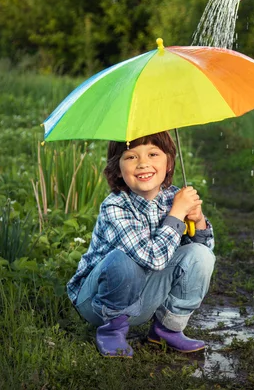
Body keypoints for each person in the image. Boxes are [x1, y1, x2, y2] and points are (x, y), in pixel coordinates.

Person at [67, 131, 215, 357]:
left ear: (169, 163)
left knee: (200, 255)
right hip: (99, 301)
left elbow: (202, 252)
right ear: (118, 168)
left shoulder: (174, 198)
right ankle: (111, 331)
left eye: (153, 154)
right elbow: (152, 258)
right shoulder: (115, 207)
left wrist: (198, 220)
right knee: (122, 261)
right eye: (131, 157)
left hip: (144, 297)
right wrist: (176, 215)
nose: (143, 163)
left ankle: (166, 329)